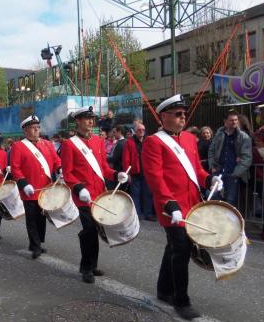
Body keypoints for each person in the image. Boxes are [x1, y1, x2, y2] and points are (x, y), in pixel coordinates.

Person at [142, 94, 222, 320]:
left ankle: (163, 289)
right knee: (181, 251)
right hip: (172, 208)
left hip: (192, 205)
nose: (182, 118)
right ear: (164, 116)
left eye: (184, 114)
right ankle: (181, 300)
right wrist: (170, 204)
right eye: (178, 114)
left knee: (174, 248)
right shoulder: (153, 142)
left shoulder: (188, 138)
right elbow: (156, 179)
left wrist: (209, 179)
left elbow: (196, 169)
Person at [60, 106, 128, 283]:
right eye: (86, 118)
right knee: (89, 230)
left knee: (96, 230)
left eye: (92, 118)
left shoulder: (98, 141)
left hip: (99, 194)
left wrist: (115, 174)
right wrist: (79, 188)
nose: (91, 121)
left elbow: (103, 168)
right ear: (78, 121)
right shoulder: (69, 144)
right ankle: (86, 268)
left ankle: (93, 264)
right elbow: (68, 173)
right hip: (83, 196)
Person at [10, 115, 62, 259]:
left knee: (41, 217)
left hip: (45, 188)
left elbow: (56, 160)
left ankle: (37, 242)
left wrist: (60, 169)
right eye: (32, 128)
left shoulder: (47, 144)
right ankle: (36, 245)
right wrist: (24, 184)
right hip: (29, 189)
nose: (36, 130)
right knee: (31, 218)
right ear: (25, 131)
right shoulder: (18, 146)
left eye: (37, 128)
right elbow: (15, 168)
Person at [208, 110, 252, 208]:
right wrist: (212, 166)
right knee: (214, 199)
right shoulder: (219, 134)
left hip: (233, 174)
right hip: (218, 173)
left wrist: (236, 173)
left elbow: (247, 158)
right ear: (225, 121)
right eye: (231, 120)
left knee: (230, 202)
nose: (234, 122)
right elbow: (211, 151)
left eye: (236, 120)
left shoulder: (244, 137)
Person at [122, 121, 156, 221]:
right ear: (135, 131)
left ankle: (148, 214)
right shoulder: (129, 141)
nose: (141, 131)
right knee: (135, 194)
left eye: (143, 130)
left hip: (147, 172)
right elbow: (125, 159)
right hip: (135, 172)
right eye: (139, 130)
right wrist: (127, 173)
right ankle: (137, 214)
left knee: (148, 193)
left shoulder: (148, 140)